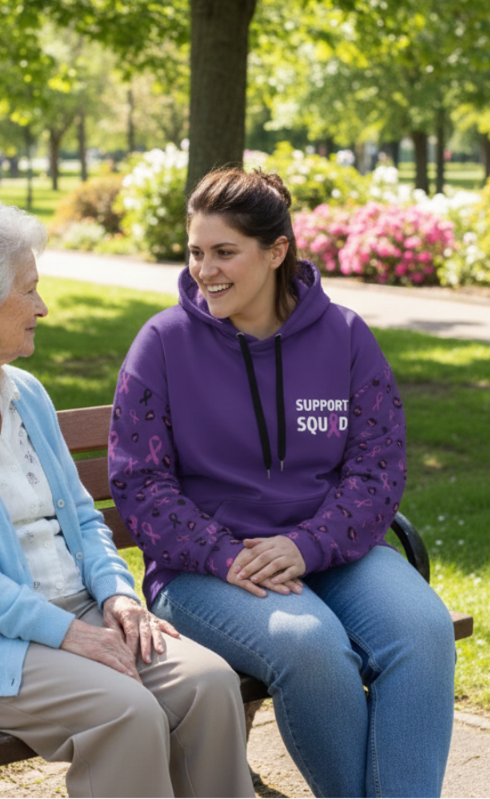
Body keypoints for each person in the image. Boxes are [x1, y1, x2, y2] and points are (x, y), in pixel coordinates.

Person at [0, 197, 255, 799]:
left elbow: (83, 518)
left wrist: (117, 595)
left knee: (210, 684)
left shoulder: (25, 393)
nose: (42, 307)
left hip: (76, 612)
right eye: (29, 290)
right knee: (126, 712)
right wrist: (64, 633)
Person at [108, 168, 457, 799]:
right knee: (311, 644)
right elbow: (140, 484)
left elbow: (379, 467)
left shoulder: (343, 335)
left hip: (331, 553)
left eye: (223, 252)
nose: (202, 270)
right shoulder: (162, 343)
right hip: (205, 571)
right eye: (194, 252)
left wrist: (309, 543)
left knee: (423, 629)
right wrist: (225, 553)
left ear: (276, 251)